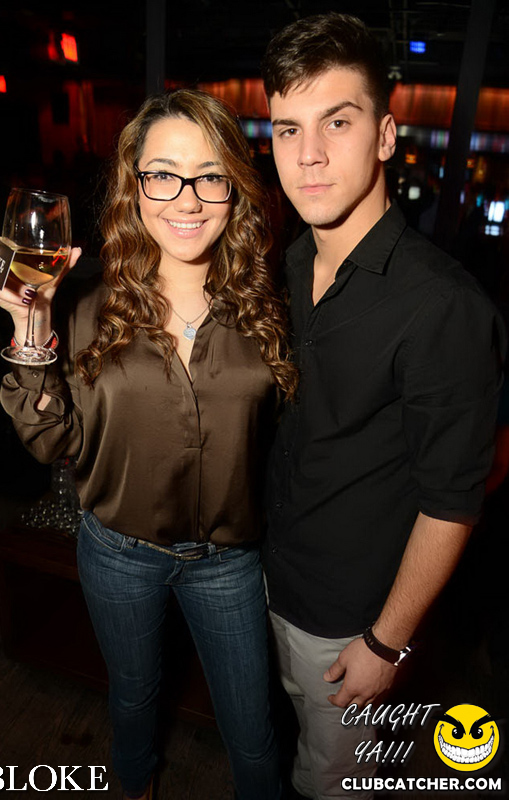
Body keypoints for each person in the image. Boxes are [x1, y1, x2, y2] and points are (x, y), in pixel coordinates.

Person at [0, 89, 298, 800]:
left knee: (254, 733)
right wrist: (31, 326)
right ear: (134, 185)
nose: (186, 198)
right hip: (117, 554)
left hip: (229, 563)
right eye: (163, 174)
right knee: (132, 699)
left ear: (234, 188)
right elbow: (50, 443)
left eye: (209, 176)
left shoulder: (269, 308)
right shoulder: (88, 307)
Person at [260, 13, 505, 800]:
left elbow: (451, 503)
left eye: (337, 122)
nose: (308, 154)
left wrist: (385, 644)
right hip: (270, 582)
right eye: (288, 128)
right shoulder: (288, 263)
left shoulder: (441, 306)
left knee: (334, 786)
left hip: (349, 623)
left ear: (386, 136)